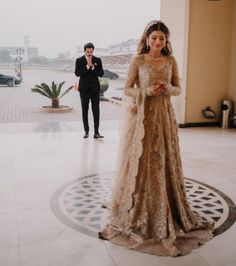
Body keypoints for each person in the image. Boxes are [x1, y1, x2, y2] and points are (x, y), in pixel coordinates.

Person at [99, 21, 214, 256]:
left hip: (164, 116)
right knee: (143, 161)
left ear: (166, 40)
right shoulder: (138, 60)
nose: (158, 42)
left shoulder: (170, 61)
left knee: (163, 159)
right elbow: (127, 89)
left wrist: (165, 89)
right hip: (143, 118)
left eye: (162, 38)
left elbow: (178, 88)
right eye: (154, 38)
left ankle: (167, 204)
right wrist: (146, 92)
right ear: (147, 39)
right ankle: (141, 207)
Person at [75, 43, 104, 139]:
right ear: (84, 51)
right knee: (85, 111)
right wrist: (87, 66)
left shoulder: (98, 60)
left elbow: (101, 74)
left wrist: (93, 67)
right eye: (88, 52)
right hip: (84, 90)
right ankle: (86, 131)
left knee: (96, 111)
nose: (89, 54)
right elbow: (77, 73)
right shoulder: (79, 60)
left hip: (95, 90)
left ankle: (96, 132)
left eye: (91, 52)